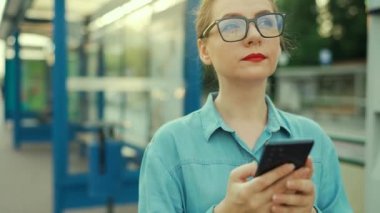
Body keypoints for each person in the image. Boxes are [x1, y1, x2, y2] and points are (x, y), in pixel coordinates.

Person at [138, 0, 353, 212]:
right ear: (204, 50)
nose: (254, 35)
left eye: (267, 22)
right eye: (232, 26)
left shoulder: (315, 139)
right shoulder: (168, 146)